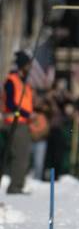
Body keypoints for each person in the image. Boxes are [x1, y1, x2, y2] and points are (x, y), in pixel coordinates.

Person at [2, 51, 37, 194]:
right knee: (20, 156)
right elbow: (10, 103)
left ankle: (16, 184)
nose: (30, 68)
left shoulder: (25, 83)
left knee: (16, 156)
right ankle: (16, 186)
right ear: (23, 66)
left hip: (23, 122)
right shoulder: (12, 81)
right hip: (15, 122)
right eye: (28, 65)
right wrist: (27, 114)